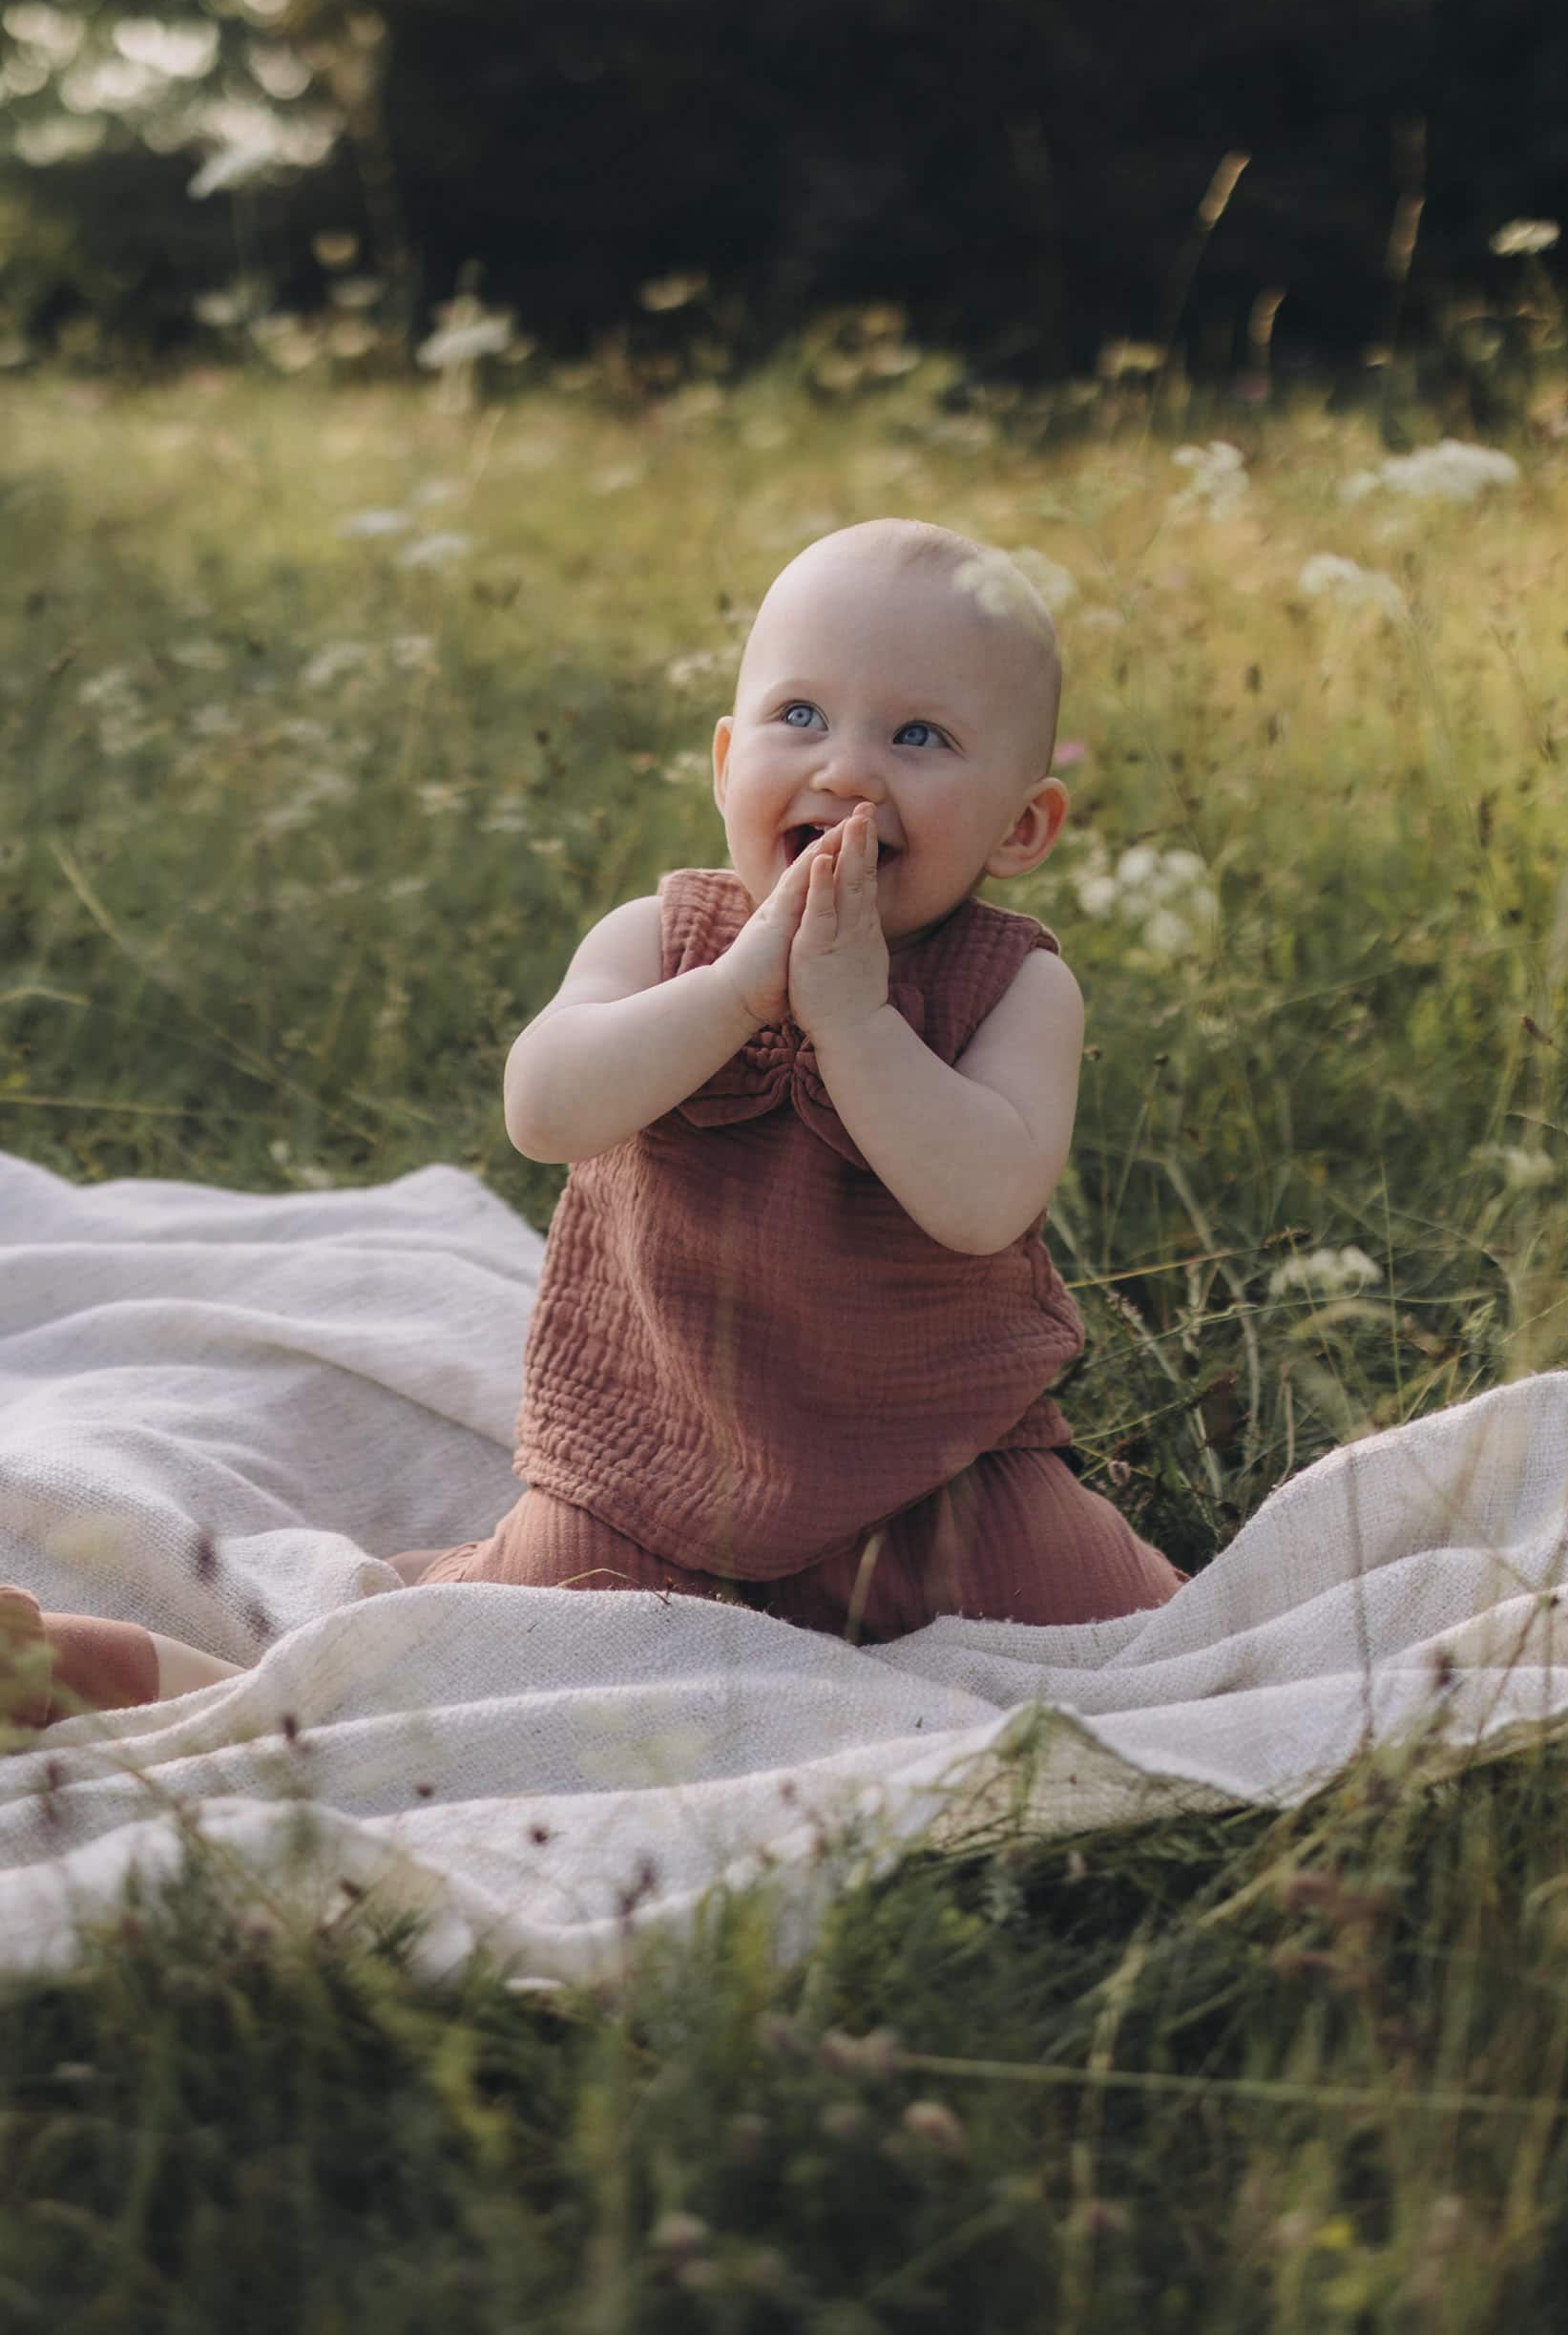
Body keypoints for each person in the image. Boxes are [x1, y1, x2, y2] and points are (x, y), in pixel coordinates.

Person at [1, 517, 1185, 1728]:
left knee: (1138, 1646)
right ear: (727, 762)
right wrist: (732, 995)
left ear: (1021, 828)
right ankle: (139, 1682)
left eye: (919, 736)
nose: (843, 772)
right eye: (799, 718)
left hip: (946, 1481)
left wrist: (859, 1026)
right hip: (655, 1476)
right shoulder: (660, 941)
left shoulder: (1017, 986)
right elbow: (544, 1109)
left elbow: (984, 1200)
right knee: (471, 1663)